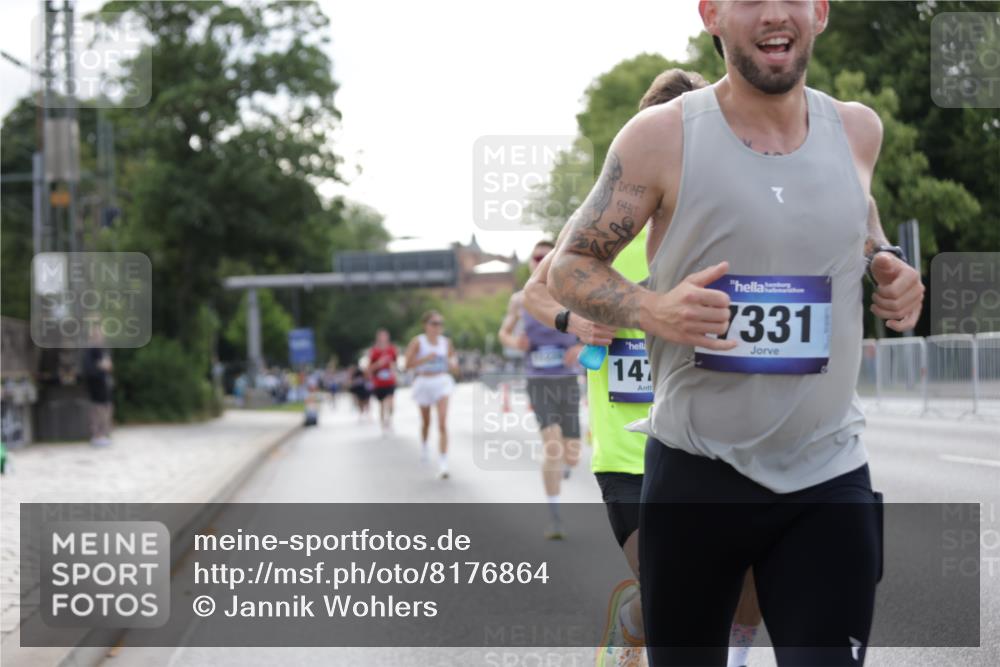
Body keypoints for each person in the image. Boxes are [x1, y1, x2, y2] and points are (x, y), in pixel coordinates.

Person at [547, 2, 923, 664]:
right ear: (712, 14)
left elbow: (856, 219)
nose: (774, 15)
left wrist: (888, 264)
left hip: (828, 469)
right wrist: (650, 309)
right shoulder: (661, 137)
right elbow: (568, 267)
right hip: (698, 474)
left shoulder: (858, 131)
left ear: (821, 11)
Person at [526, 69, 761, 667]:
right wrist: (573, 322)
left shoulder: (728, 225)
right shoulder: (614, 222)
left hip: (721, 441)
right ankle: (634, 619)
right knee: (678, 591)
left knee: (747, 585)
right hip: (632, 457)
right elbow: (537, 290)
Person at [499, 240, 584, 540]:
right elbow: (504, 332)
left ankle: (565, 464)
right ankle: (555, 517)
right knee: (551, 445)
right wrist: (514, 343)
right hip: (538, 378)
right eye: (537, 257)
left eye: (549, 256)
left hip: (568, 378)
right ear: (531, 263)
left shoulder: (571, 294)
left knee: (571, 453)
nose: (542, 261)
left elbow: (595, 326)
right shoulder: (520, 300)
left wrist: (579, 345)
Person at [404, 310, 458, 479]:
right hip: (423, 382)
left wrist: (452, 364)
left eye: (440, 323)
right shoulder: (418, 342)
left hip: (441, 381)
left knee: (442, 423)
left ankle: (443, 462)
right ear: (425, 325)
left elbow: (454, 366)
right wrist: (426, 358)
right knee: (426, 421)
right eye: (434, 323)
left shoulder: (446, 343)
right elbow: (407, 365)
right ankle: (425, 445)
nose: (437, 327)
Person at [83, 335, 114, 448]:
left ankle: (103, 435)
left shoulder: (103, 351)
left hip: (104, 386)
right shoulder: (90, 352)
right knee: (97, 411)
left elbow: (109, 367)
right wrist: (101, 367)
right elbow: (90, 370)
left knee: (106, 410)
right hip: (96, 387)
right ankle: (97, 436)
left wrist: (105, 367)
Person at [368, 328, 399, 434]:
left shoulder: (392, 349)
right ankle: (383, 425)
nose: (383, 338)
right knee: (381, 404)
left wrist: (395, 373)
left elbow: (395, 364)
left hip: (390, 381)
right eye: (381, 336)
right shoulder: (374, 351)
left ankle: (389, 420)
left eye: (385, 336)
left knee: (390, 403)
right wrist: (379, 363)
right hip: (379, 382)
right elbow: (370, 368)